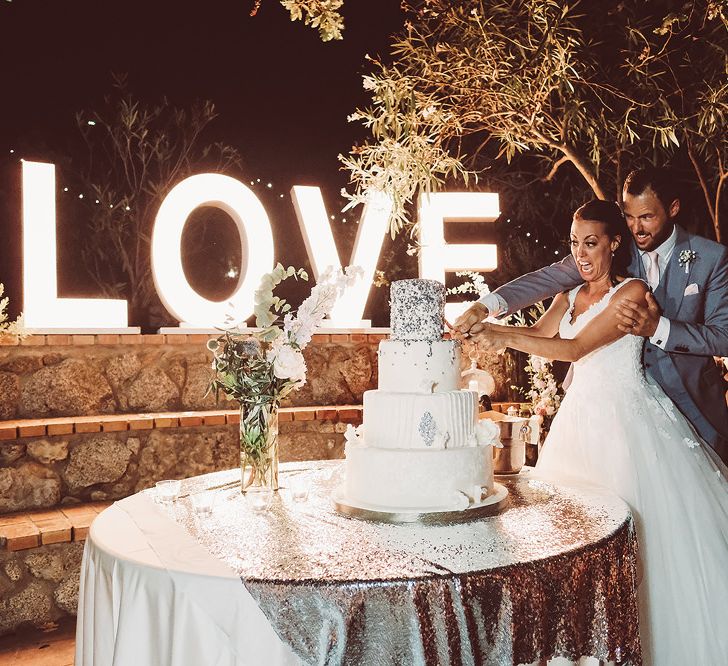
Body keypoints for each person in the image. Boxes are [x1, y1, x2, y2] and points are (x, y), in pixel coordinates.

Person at [459, 199, 728, 665]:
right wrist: (489, 327)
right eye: (573, 244)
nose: (580, 254)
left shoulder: (632, 292)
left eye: (590, 243)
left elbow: (575, 346)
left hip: (626, 425)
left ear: (613, 243)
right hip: (577, 422)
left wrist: (505, 336)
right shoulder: (569, 292)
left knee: (638, 538)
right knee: (569, 543)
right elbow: (543, 342)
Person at [455, 167, 728, 464]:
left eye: (647, 217)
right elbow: (544, 280)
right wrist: (484, 307)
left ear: (673, 208)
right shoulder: (607, 250)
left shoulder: (711, 258)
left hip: (690, 403)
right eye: (628, 216)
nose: (636, 228)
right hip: (607, 413)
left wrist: (658, 328)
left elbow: (723, 337)